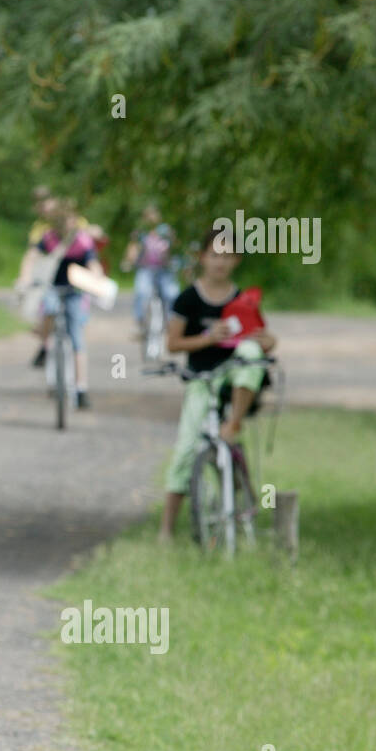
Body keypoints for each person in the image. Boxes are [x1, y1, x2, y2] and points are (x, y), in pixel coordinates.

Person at [159, 227, 277, 541]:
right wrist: (208, 338)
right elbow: (172, 343)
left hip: (234, 377)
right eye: (214, 255)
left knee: (251, 354)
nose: (220, 262)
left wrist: (266, 340)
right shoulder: (187, 299)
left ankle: (234, 422)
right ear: (203, 258)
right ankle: (166, 529)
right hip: (201, 378)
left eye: (226, 256)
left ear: (236, 260)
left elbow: (262, 338)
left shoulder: (243, 300)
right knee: (185, 450)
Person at [32, 200, 105, 410]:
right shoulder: (49, 239)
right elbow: (33, 256)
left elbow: (93, 263)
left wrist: (97, 279)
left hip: (75, 291)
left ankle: (81, 388)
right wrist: (27, 276)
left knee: (77, 338)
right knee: (48, 310)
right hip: (54, 287)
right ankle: (44, 345)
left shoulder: (83, 241)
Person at [121, 204, 180, 336]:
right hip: (146, 269)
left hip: (164, 269)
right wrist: (129, 261)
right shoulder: (141, 232)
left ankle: (171, 323)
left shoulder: (166, 231)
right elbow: (133, 248)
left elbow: (175, 247)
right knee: (141, 292)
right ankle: (140, 322)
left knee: (171, 294)